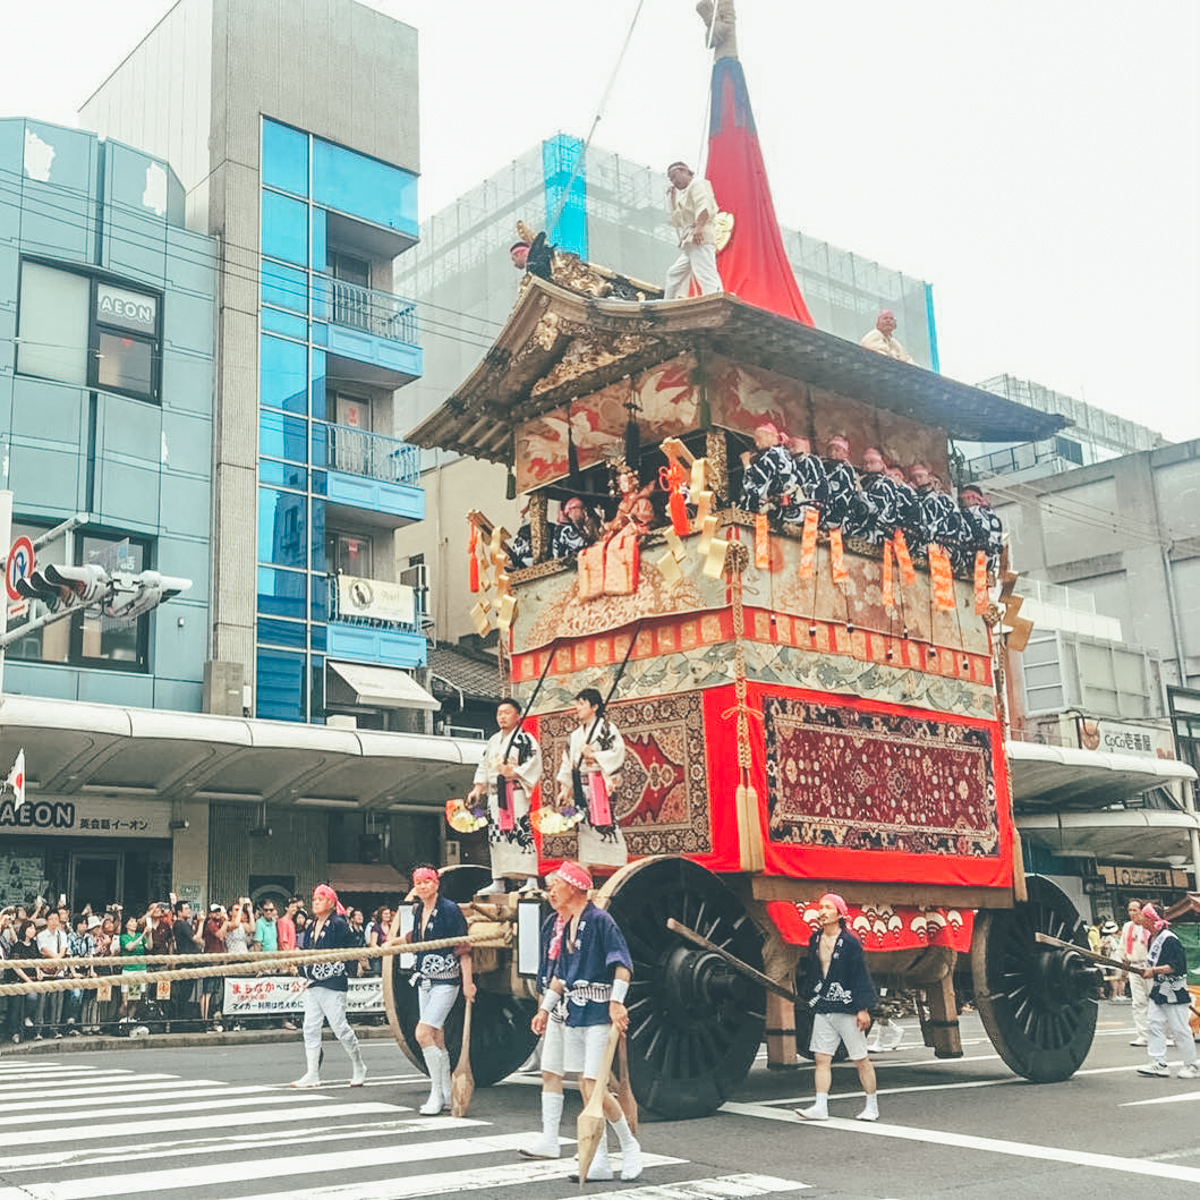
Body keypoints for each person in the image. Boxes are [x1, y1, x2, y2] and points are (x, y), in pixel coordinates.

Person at [524, 861, 642, 1182]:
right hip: (574, 1012)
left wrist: (617, 1003)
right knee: (587, 1088)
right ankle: (600, 1162)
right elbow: (561, 977)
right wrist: (545, 1009)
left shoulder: (600, 920)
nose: (551, 891)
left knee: (594, 1086)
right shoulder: (567, 922)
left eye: (556, 885)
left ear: (575, 888)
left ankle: (630, 1147)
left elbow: (623, 966)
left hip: (598, 1011)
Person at [795, 893, 881, 1121]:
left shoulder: (850, 943)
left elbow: (860, 976)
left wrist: (863, 1008)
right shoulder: (815, 940)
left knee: (860, 1058)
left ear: (839, 913)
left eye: (827, 907)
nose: (822, 911)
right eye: (820, 907)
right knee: (822, 1058)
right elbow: (813, 973)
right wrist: (809, 997)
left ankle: (872, 1105)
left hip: (848, 1007)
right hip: (824, 1006)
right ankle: (820, 1105)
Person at [397, 866, 475, 1115]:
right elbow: (414, 938)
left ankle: (435, 1092)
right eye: (417, 882)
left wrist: (467, 982)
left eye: (426, 881)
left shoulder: (450, 909)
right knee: (436, 1037)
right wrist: (390, 944)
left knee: (423, 1033)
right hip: (425, 980)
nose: (421, 886)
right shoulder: (418, 910)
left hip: (446, 980)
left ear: (436, 884)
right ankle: (444, 1093)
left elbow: (462, 947)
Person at [290, 884, 368, 1089]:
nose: (316, 902)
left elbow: (352, 947)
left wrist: (358, 961)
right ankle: (312, 1073)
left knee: (340, 1027)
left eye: (321, 899)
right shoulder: (311, 924)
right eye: (314, 899)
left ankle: (359, 1065)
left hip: (333, 981)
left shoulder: (339, 923)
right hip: (313, 981)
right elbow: (306, 949)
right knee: (310, 1027)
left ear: (332, 903)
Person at [468, 698, 544, 894]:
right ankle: (498, 880)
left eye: (507, 713)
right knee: (496, 837)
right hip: (495, 795)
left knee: (520, 832)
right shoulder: (493, 741)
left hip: (515, 792)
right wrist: (477, 789)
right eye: (499, 713)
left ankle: (530, 879)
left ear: (518, 716)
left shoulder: (525, 739)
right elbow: (483, 766)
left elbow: (534, 763)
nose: (502, 717)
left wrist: (514, 771)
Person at [556, 687, 628, 871]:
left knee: (607, 824)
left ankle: (618, 867)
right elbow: (567, 763)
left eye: (582, 704)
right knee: (584, 828)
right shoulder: (574, 736)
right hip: (580, 786)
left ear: (594, 706)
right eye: (577, 704)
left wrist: (594, 755)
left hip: (599, 783)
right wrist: (565, 790)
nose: (577, 708)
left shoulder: (606, 729)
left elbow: (617, 753)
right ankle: (587, 870)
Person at [1135, 902, 1198, 1078]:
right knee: (1154, 1024)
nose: (1141, 919)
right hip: (1160, 988)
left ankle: (1192, 1065)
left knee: (1180, 1028)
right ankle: (1158, 1062)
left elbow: (1174, 967)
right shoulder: (1151, 938)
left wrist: (1153, 971)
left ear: (1152, 919)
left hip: (1174, 988)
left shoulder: (1170, 939)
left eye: (1145, 916)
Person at [664, 161, 721, 299]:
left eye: (675, 176)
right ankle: (667, 303)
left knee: (705, 272)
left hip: (699, 236)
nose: (674, 181)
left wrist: (699, 227)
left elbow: (704, 205)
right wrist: (672, 198)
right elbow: (678, 220)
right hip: (690, 240)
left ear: (684, 171)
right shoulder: (684, 195)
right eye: (671, 179)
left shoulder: (698, 184)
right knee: (674, 273)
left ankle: (715, 298)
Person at [738, 423, 797, 517]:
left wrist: (747, 465)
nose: (757, 444)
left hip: (766, 509)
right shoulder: (787, 456)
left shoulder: (770, 456)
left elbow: (757, 481)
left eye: (759, 439)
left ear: (769, 436)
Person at [846, 448, 899, 545]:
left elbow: (874, 508)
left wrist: (859, 490)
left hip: (875, 535)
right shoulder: (865, 481)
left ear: (881, 464)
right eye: (865, 463)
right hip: (857, 533)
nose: (867, 466)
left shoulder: (885, 484)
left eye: (872, 462)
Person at [1119, 899, 1152, 1044]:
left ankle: (1165, 1034)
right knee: (1138, 1002)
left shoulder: (1150, 924)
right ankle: (1144, 1035)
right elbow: (1122, 947)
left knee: (1156, 1001)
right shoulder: (1127, 927)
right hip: (1134, 966)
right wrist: (1124, 967)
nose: (1132, 913)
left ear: (1142, 911)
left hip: (1150, 967)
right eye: (1129, 910)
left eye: (1135, 910)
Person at [955, 484, 1004, 576]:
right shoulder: (960, 514)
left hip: (983, 561)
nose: (964, 501)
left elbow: (995, 540)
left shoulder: (989, 516)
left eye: (965, 498)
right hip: (965, 562)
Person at [35, 910, 69, 1038]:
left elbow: (63, 950)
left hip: (58, 971)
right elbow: (44, 950)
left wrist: (58, 960)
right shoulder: (41, 935)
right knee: (42, 1001)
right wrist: (57, 959)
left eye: (56, 919)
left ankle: (55, 1028)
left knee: (57, 1001)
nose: (54, 921)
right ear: (47, 920)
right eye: (52, 919)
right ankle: (38, 1030)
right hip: (45, 971)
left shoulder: (62, 935)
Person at [820, 437, 860, 532]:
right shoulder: (821, 465)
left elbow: (847, 495)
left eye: (837, 450)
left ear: (845, 453)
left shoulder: (847, 471)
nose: (832, 452)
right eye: (830, 449)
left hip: (837, 514)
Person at [117, 913, 149, 1024]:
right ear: (126, 924)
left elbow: (150, 946)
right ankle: (120, 1021)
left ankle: (130, 1021)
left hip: (140, 969)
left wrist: (148, 935)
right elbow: (130, 947)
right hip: (128, 970)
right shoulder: (123, 937)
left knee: (135, 1000)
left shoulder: (140, 935)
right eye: (131, 921)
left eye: (135, 921)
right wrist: (143, 934)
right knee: (126, 1001)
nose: (133, 924)